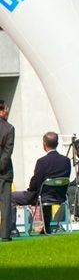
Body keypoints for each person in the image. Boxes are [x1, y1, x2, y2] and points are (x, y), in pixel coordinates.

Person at [11, 131, 71, 234]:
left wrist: (30, 189)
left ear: (44, 144)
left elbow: (36, 182)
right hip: (59, 195)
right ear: (56, 143)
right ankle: (47, 227)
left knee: (10, 196)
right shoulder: (66, 161)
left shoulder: (42, 161)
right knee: (46, 194)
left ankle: (11, 229)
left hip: (42, 195)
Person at [0, 99, 14, 242]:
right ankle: (5, 234)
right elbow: (7, 151)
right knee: (5, 203)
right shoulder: (9, 128)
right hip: (3, 172)